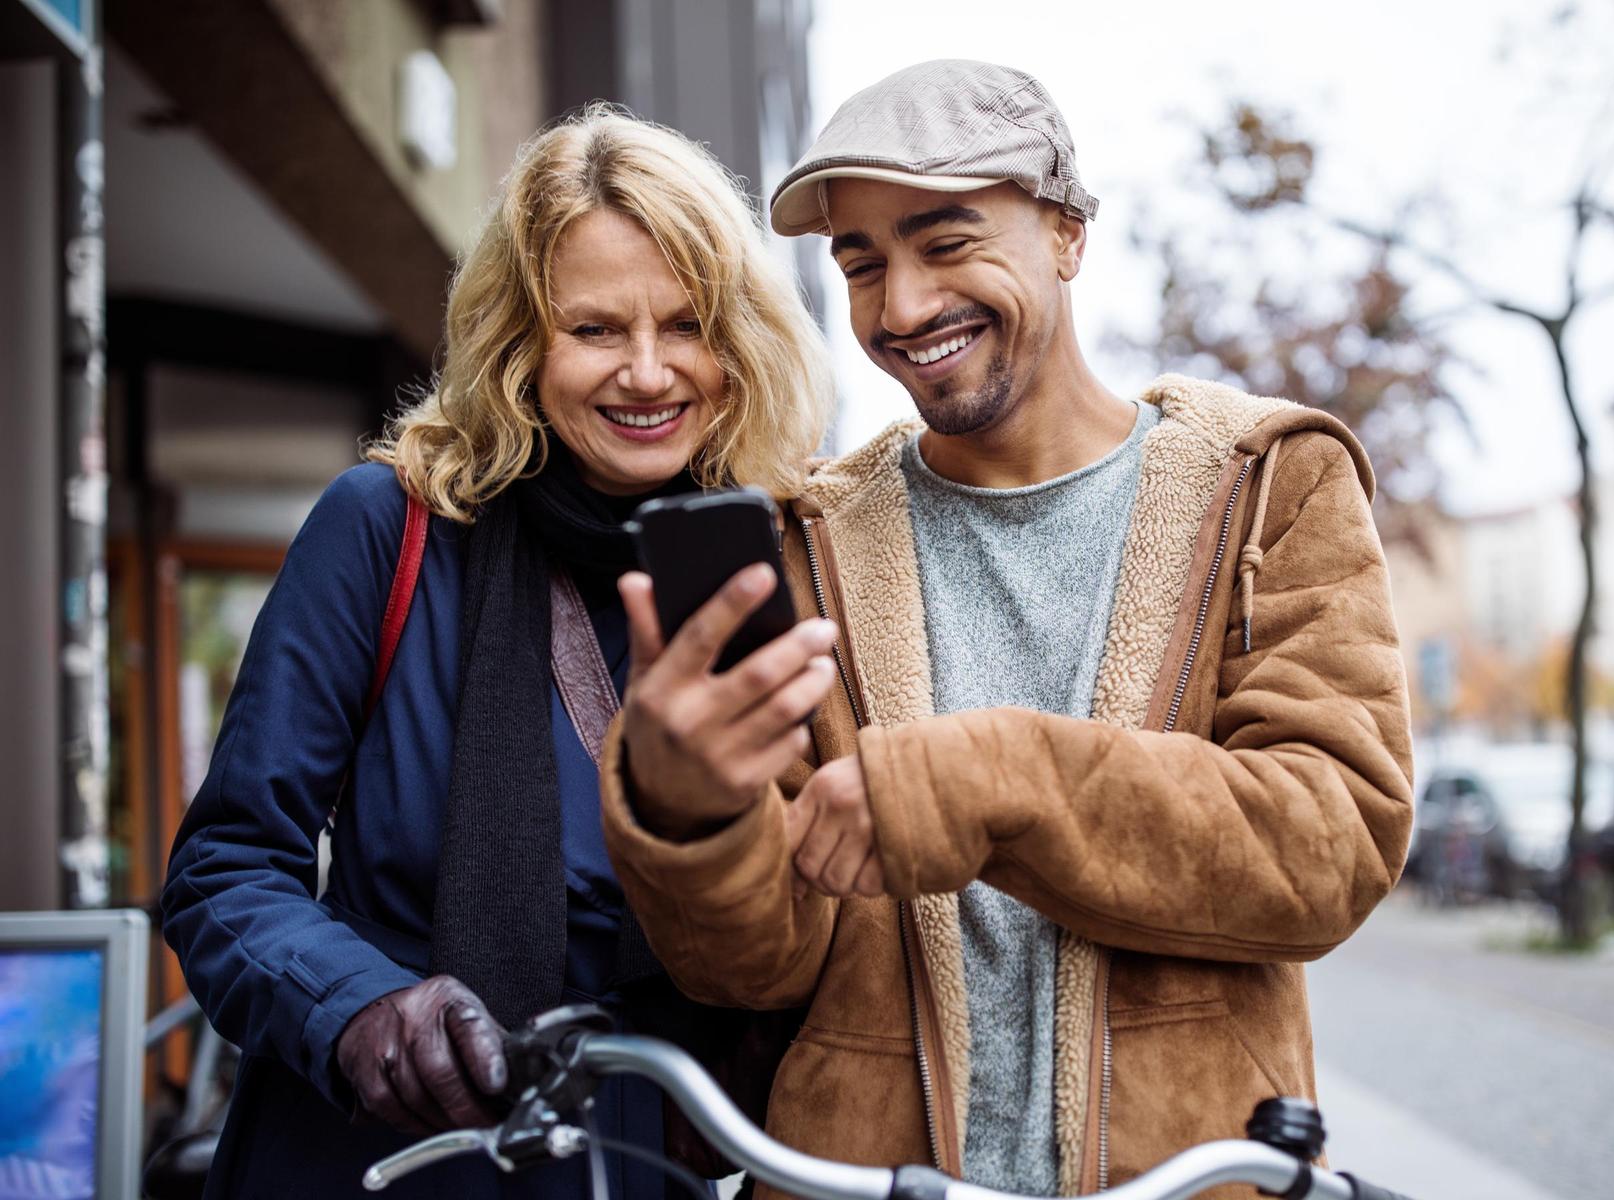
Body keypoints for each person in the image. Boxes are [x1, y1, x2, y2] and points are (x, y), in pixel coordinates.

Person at [601, 60, 1414, 1199]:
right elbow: (753, 968)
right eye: (861, 263)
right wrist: (689, 811)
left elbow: (1331, 844)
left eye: (945, 244)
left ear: (1067, 232)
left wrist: (990, 782)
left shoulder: (1269, 481)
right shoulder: (810, 537)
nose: (900, 309)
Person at [160, 105, 833, 1199]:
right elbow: (225, 868)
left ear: (740, 339)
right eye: (596, 329)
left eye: (686, 324)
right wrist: (360, 1006)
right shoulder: (389, 525)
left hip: (644, 1158)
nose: (650, 373)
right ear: (521, 341)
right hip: (382, 1150)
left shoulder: (780, 560)